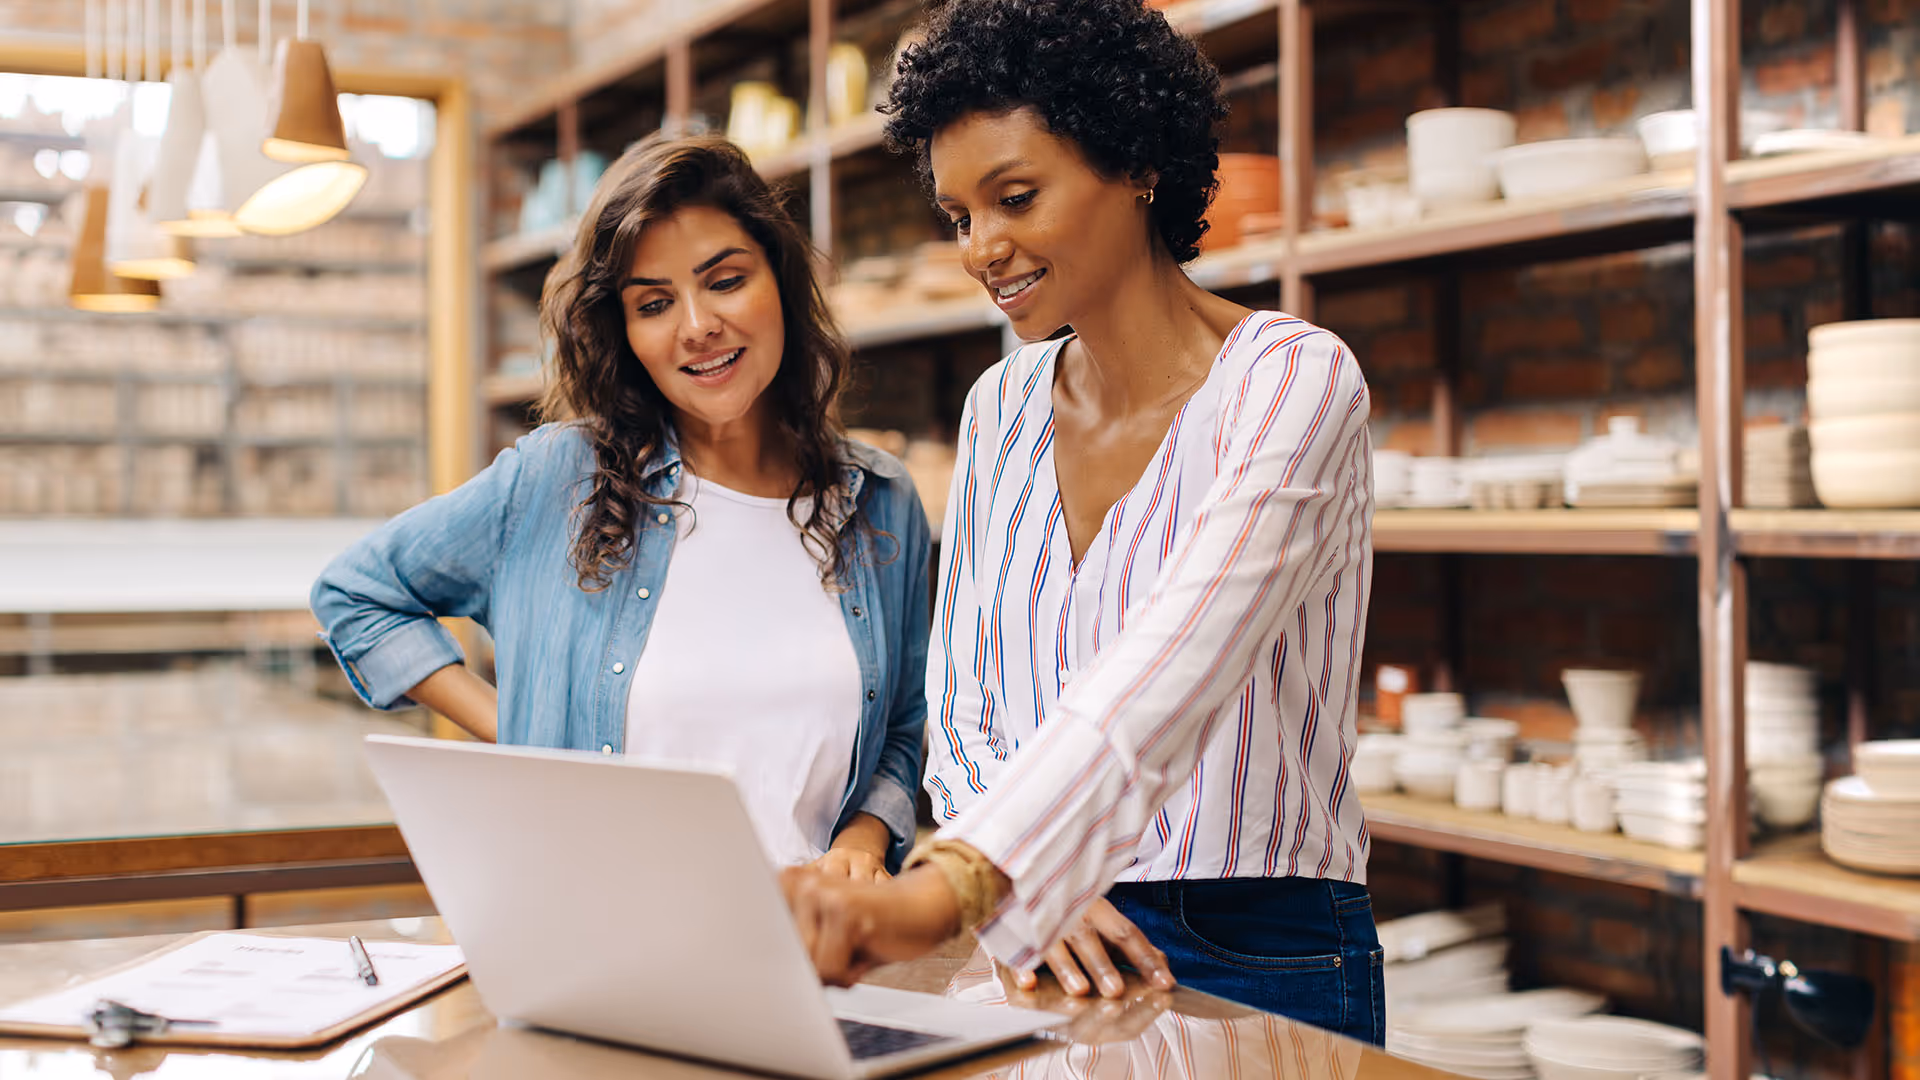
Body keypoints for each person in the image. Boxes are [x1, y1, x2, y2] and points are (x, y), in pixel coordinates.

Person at [780, 0, 1382, 1043]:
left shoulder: (1292, 383)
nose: (981, 248)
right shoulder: (1000, 406)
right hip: (1030, 938)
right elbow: (962, 695)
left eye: (1015, 197)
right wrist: (1025, 890)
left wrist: (965, 881)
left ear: (1135, 161)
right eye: (960, 216)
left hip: (1255, 941)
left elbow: (1176, 662)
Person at [312, 134, 931, 877]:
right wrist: (517, 738)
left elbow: (901, 723)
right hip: (601, 944)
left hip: (822, 957)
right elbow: (356, 594)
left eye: (726, 280)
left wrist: (865, 837)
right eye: (655, 303)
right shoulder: (559, 479)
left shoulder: (880, 500)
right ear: (626, 333)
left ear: (781, 283)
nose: (697, 325)